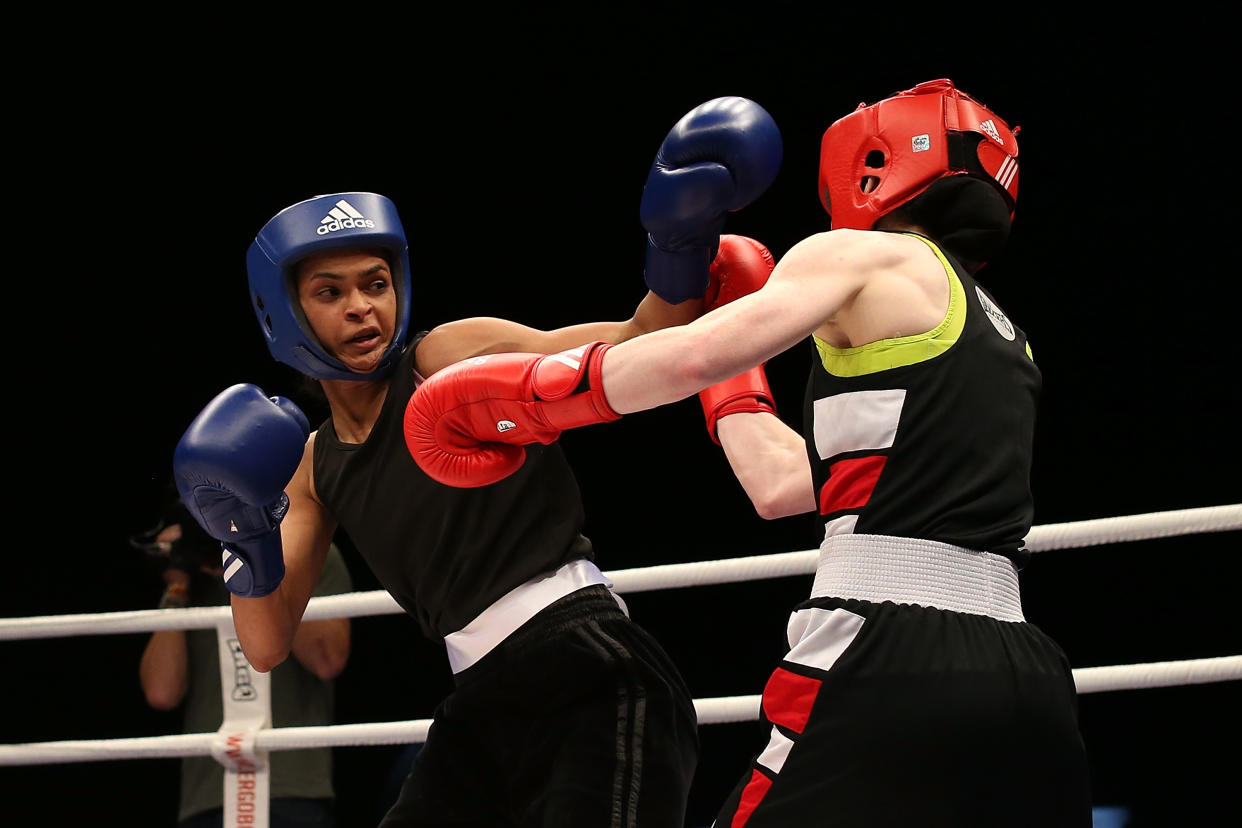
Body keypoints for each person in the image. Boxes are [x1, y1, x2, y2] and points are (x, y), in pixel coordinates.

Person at [404, 78, 1095, 826]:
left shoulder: (862, 255)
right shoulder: (1000, 332)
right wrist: (739, 374)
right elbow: (782, 482)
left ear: (873, 159)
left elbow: (685, 357)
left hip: (888, 652)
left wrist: (529, 393)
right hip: (1026, 675)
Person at [171, 95, 784, 826]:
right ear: (286, 313)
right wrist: (244, 535)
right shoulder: (313, 467)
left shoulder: (447, 356)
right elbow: (267, 644)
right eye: (329, 293)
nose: (363, 307)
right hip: (479, 706)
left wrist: (681, 242)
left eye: (375, 282)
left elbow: (642, 340)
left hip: (588, 662)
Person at [137, 490, 353, 828]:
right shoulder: (195, 577)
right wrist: (178, 584)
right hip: (207, 793)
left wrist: (257, 566)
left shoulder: (310, 551)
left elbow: (327, 659)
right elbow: (161, 692)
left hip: (290, 787)